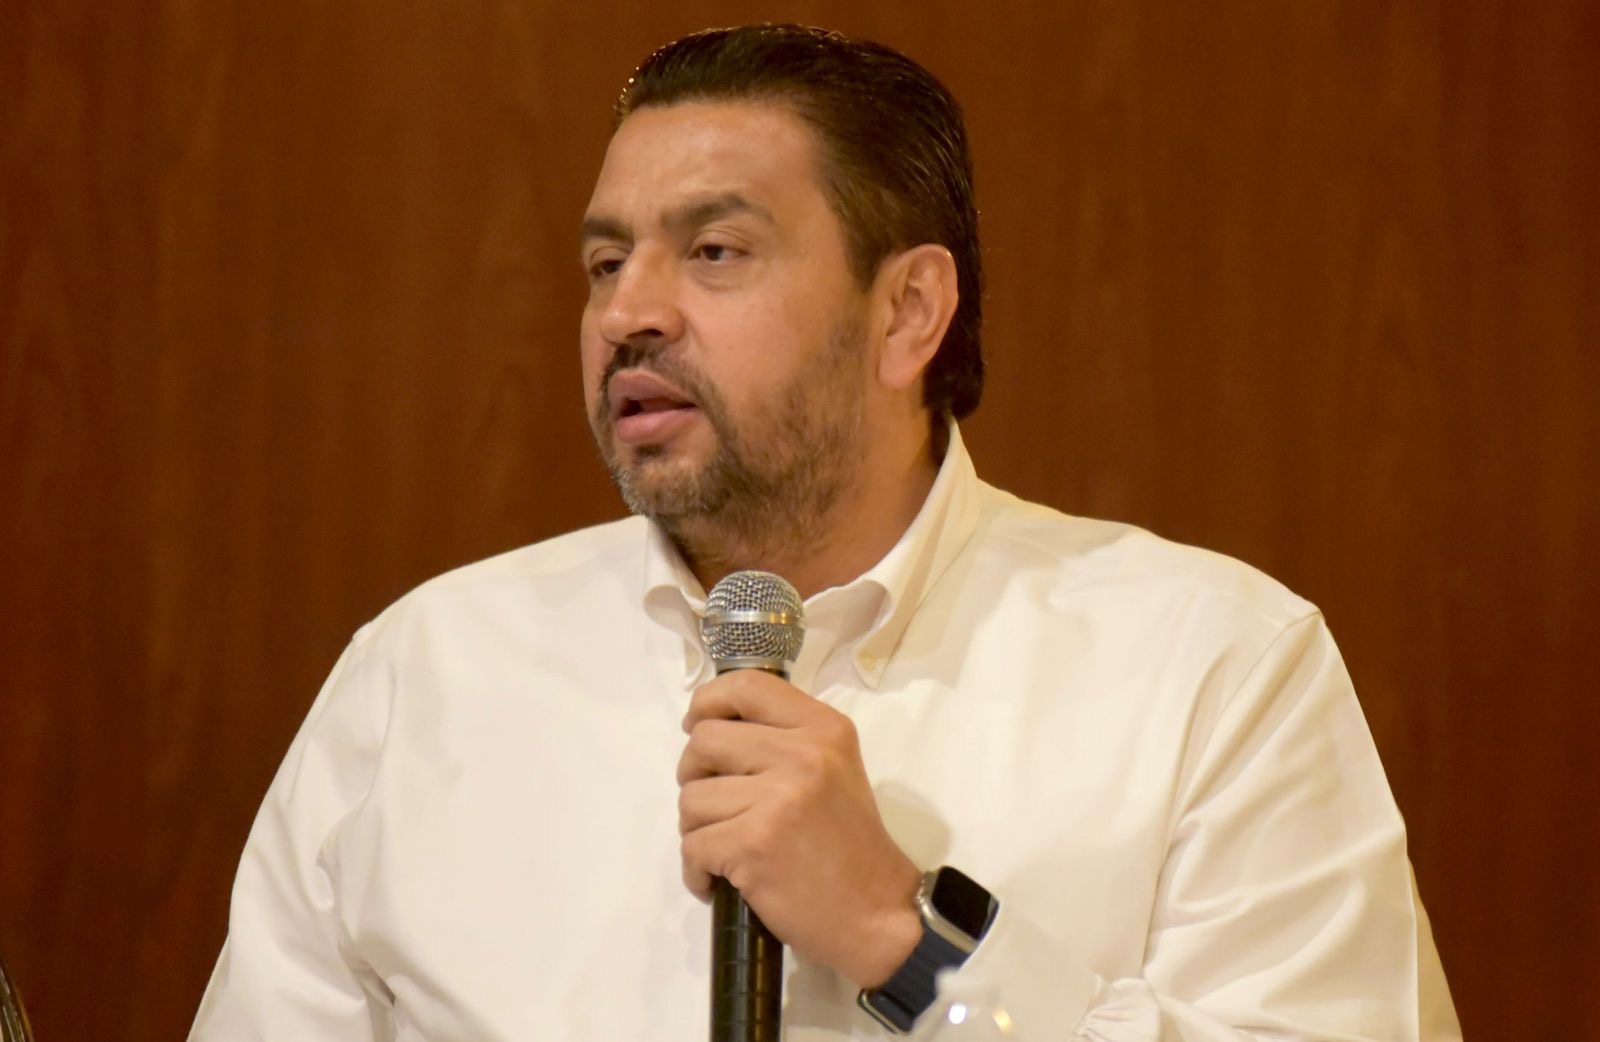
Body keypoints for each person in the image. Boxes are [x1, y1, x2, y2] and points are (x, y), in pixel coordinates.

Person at [188, 24, 1460, 1041]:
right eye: (605, 263)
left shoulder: (1211, 666)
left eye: (714, 250)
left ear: (907, 311)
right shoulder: (428, 671)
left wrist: (906, 942)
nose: (629, 313)